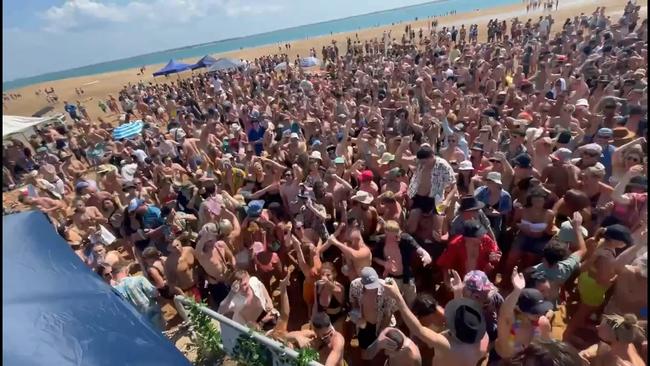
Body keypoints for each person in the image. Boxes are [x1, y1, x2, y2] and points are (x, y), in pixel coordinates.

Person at [383, 278, 489, 366]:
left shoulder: (447, 345)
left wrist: (398, 297)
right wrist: (457, 293)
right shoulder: (484, 337)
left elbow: (419, 330)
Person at [348, 267, 398, 360]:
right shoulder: (355, 285)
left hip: (382, 323)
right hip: (364, 325)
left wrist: (382, 332)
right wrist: (357, 317)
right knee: (365, 353)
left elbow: (388, 312)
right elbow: (353, 302)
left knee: (380, 355)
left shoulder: (387, 288)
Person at [112, 261, 164, 330]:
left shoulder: (114, 291)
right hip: (153, 315)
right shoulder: (139, 279)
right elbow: (154, 293)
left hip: (138, 323)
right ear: (126, 270)